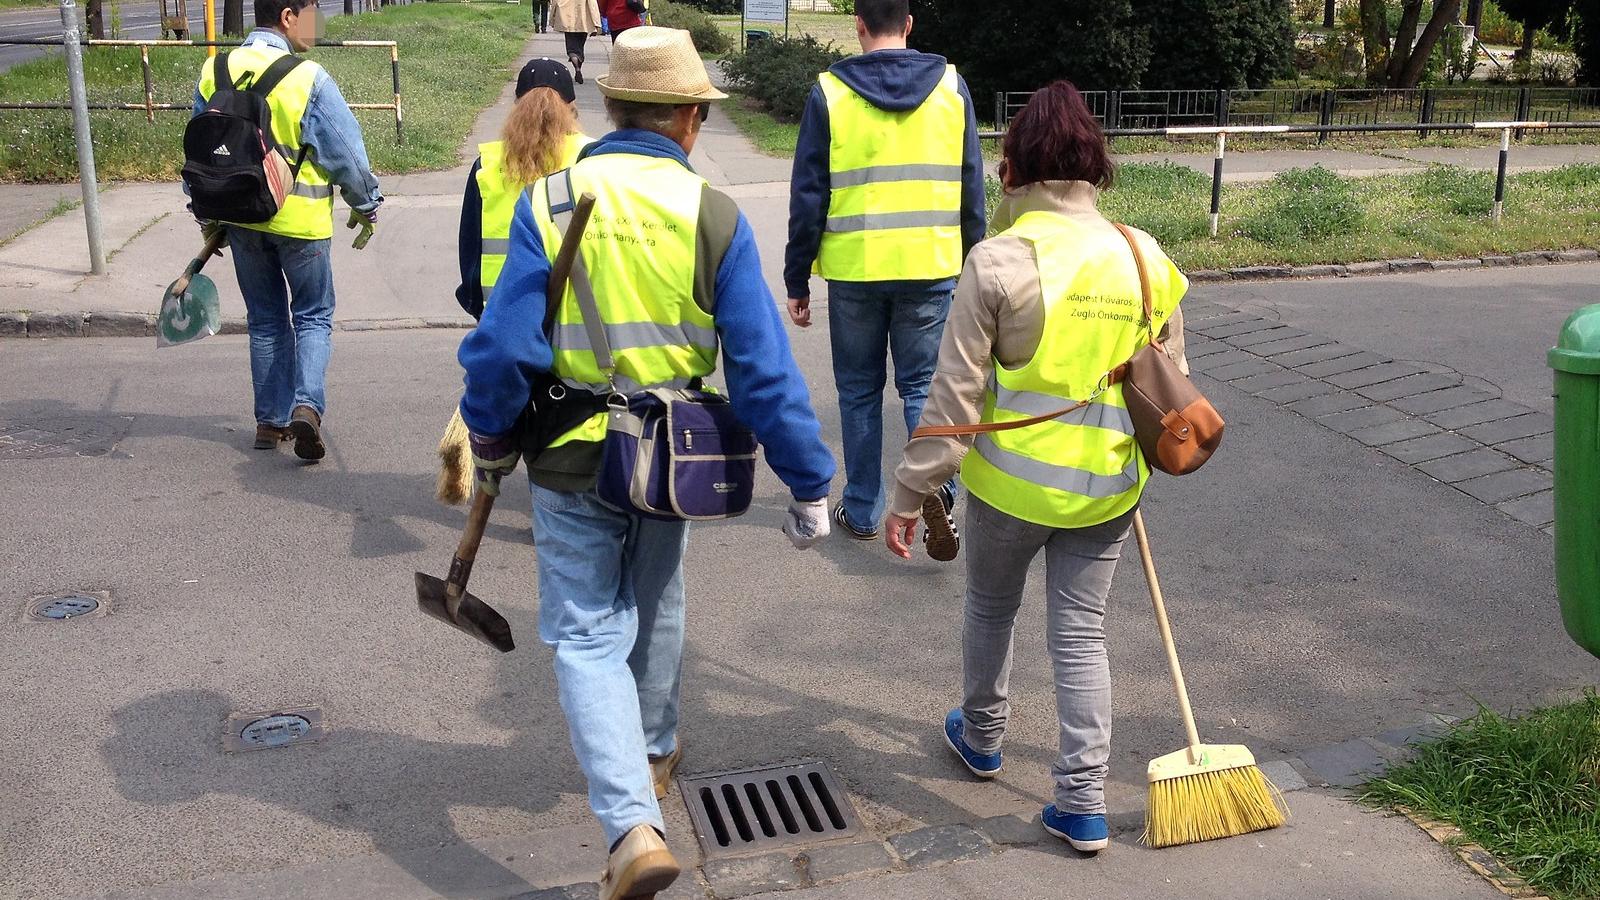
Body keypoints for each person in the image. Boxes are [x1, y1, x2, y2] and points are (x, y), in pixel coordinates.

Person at [456, 27, 834, 900]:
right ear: (692, 121)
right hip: (672, 460)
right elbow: (764, 371)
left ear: (610, 108)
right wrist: (810, 482)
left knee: (588, 632)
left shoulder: (550, 198)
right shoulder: (714, 213)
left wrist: (486, 435)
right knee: (657, 598)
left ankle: (631, 826)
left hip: (568, 458)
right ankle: (656, 754)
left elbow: (503, 346)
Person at [883, 81, 1188, 854]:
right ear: (1096, 167)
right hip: (1110, 492)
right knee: (1081, 636)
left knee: (991, 610)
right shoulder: (1146, 257)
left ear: (1013, 170)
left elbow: (954, 396)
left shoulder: (998, 262)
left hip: (1009, 491)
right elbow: (1168, 387)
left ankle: (982, 740)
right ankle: (1082, 803)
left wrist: (911, 494)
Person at [783, 0, 985, 556]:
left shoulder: (829, 93)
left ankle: (866, 505)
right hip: (932, 265)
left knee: (859, 390)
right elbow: (973, 187)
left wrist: (797, 278)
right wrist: (976, 265)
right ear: (910, 24)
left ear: (859, 25)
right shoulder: (952, 88)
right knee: (923, 386)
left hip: (855, 269)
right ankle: (934, 488)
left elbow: (808, 196)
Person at [190, 0, 382, 460]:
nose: (317, 24)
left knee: (266, 320)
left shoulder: (214, 70)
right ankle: (306, 407)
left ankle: (269, 422)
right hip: (302, 224)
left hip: (240, 220)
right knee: (312, 315)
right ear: (288, 16)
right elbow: (345, 153)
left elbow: (198, 148)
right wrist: (367, 203)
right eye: (312, 12)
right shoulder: (307, 77)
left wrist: (207, 216)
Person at [457, 58, 594, 320]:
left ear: (517, 105)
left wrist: (478, 308)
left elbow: (470, 251)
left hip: (503, 311)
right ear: (572, 108)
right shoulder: (590, 156)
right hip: (575, 315)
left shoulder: (486, 165)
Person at [551, 0, 601, 84]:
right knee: (580, 48)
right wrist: (596, 24)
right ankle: (578, 66)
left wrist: (552, 19)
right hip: (583, 20)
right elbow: (592, 5)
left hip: (567, 19)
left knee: (571, 48)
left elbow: (555, 2)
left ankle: (577, 67)